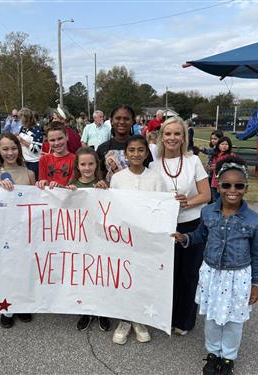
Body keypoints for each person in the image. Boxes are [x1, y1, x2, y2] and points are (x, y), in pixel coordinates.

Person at [173, 156, 258, 375]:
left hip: (238, 276)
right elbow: (200, 235)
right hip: (213, 275)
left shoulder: (252, 219)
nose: (232, 190)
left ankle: (228, 358)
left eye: (239, 185)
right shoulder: (207, 212)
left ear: (246, 188)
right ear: (219, 186)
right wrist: (185, 238)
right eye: (226, 185)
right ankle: (213, 353)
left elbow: (257, 254)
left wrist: (257, 283)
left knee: (233, 321)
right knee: (213, 318)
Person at [149, 116, 210, 336]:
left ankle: (184, 320)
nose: (172, 138)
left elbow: (207, 194)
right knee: (167, 274)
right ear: (161, 137)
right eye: (168, 134)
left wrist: (188, 202)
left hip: (191, 224)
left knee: (189, 274)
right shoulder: (153, 163)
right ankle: (167, 316)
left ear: (183, 137)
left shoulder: (193, 161)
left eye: (177, 133)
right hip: (164, 226)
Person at [109, 135, 164, 344]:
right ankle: (124, 320)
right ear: (125, 153)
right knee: (125, 278)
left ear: (146, 153)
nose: (136, 154)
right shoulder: (118, 178)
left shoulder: (155, 179)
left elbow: (162, 208)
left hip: (146, 239)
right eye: (131, 150)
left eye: (140, 150)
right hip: (124, 238)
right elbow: (112, 207)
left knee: (142, 277)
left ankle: (139, 319)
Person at [0, 133, 35, 328]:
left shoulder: (28, 173)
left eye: (13, 148)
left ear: (19, 149)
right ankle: (6, 307)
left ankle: (22, 303)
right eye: (5, 149)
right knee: (5, 268)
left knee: (24, 266)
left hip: (24, 229)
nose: (10, 152)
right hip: (3, 231)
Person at [64, 147, 111, 332]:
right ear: (77, 165)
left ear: (96, 164)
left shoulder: (102, 184)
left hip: (100, 238)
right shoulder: (73, 184)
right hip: (80, 239)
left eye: (91, 163)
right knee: (84, 274)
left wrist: (105, 189)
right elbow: (65, 209)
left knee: (101, 274)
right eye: (83, 164)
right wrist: (68, 193)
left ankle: (102, 311)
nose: (87, 167)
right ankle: (84, 310)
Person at [96, 105, 153, 182]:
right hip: (110, 193)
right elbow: (99, 175)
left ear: (133, 121)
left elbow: (150, 173)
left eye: (126, 119)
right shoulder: (102, 148)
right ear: (111, 121)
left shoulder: (141, 147)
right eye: (118, 118)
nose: (122, 122)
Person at [36, 122, 75, 188]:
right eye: (52, 140)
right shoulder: (44, 159)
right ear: (48, 141)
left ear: (67, 137)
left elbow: (72, 186)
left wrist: (59, 187)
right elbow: (43, 182)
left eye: (60, 138)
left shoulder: (75, 159)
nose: (56, 143)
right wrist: (41, 183)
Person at [17, 107, 43, 180]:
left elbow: (36, 149)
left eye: (20, 118)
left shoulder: (37, 130)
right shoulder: (23, 128)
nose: (19, 120)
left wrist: (22, 141)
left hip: (34, 162)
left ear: (27, 118)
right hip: (24, 161)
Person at [200, 130, 224, 202]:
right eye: (212, 139)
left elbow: (211, 151)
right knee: (209, 191)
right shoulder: (214, 147)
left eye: (215, 139)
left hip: (215, 174)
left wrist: (202, 149)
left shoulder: (218, 149)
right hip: (210, 173)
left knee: (214, 193)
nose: (213, 140)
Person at [210, 136, 234, 202]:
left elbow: (231, 167)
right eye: (222, 144)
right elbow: (213, 167)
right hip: (214, 182)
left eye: (226, 144)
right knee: (215, 201)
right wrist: (211, 168)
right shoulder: (215, 155)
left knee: (224, 201)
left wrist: (218, 167)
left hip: (225, 183)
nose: (224, 146)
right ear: (218, 145)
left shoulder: (230, 156)